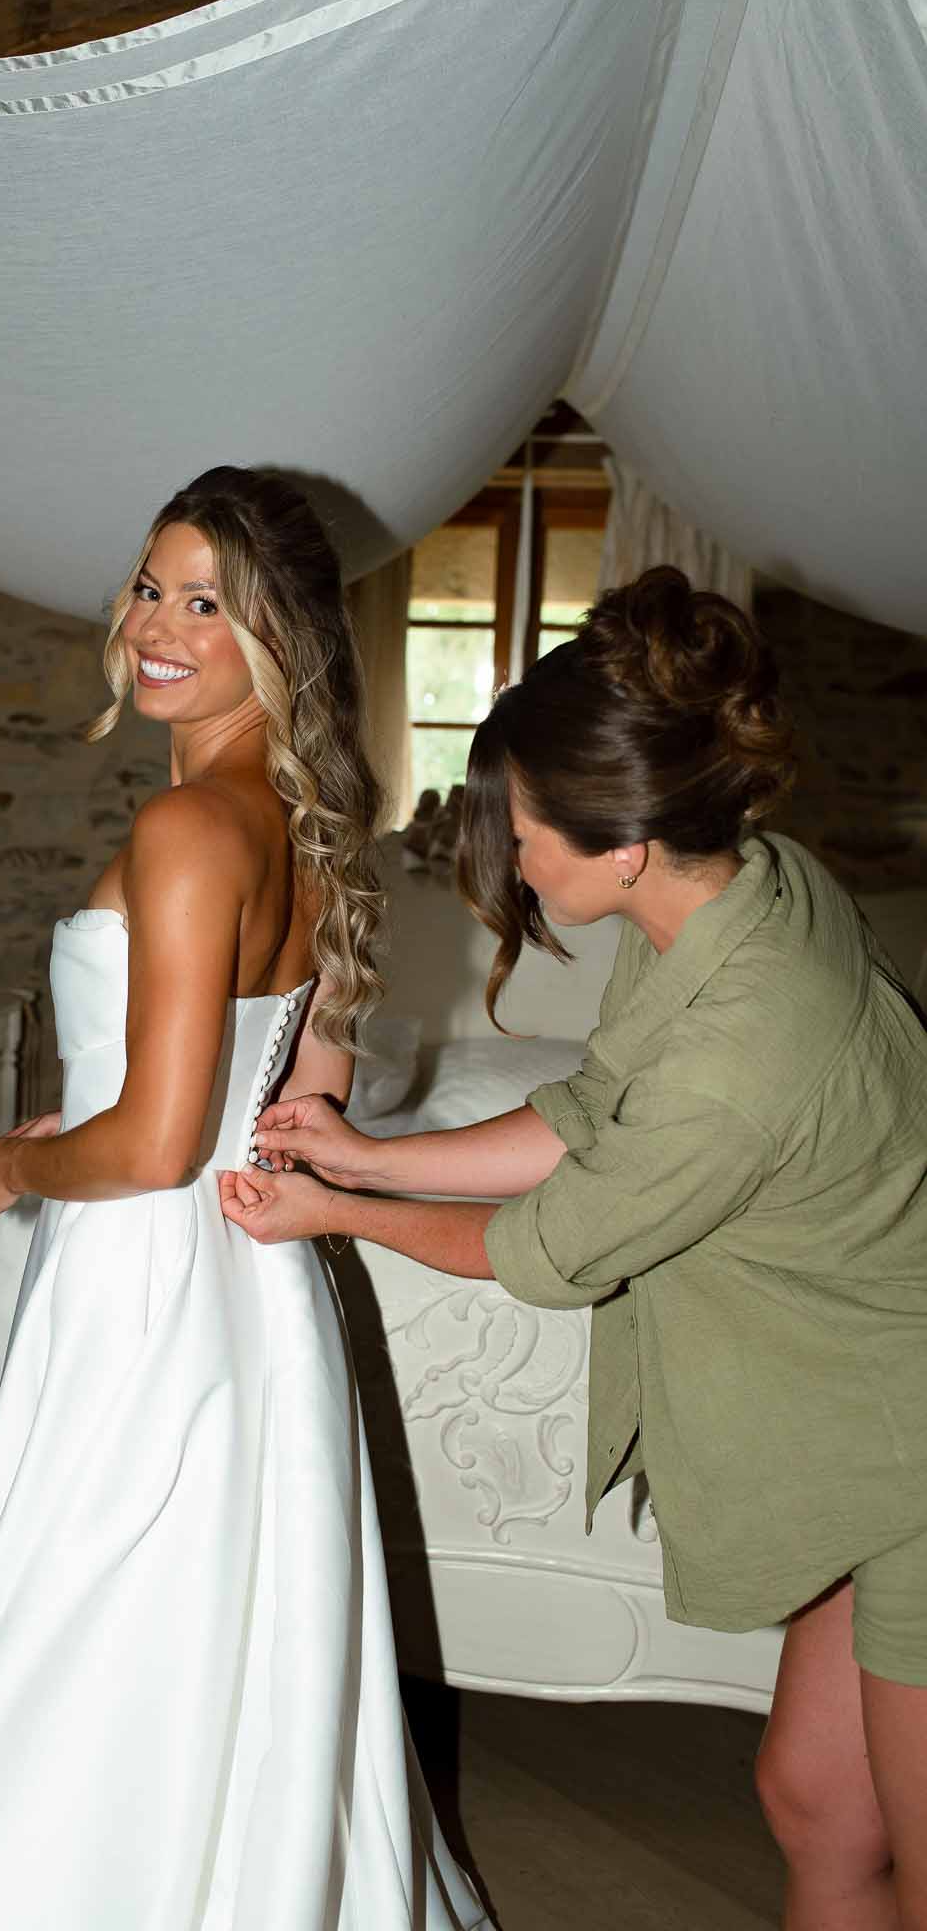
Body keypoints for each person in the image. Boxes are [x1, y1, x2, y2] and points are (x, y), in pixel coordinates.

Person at [223, 566, 927, 1931]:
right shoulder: (742, 890)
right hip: (879, 1432)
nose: (516, 858)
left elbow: (544, 1250)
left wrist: (342, 1216)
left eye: (528, 830)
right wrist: (367, 1149)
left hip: (918, 1452)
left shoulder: (744, 1052)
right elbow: (599, 1106)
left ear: (621, 846)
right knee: (818, 1802)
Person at [0, 468, 486, 1929]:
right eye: (150, 585)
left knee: (97, 1633)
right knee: (210, 1639)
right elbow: (296, 1086)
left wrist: (9, 1166)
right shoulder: (298, 823)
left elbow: (147, 1148)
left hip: (144, 1291)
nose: (157, 625)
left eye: (209, 602)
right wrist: (133, 1106)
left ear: (282, 640)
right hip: (247, 1293)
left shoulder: (192, 831)